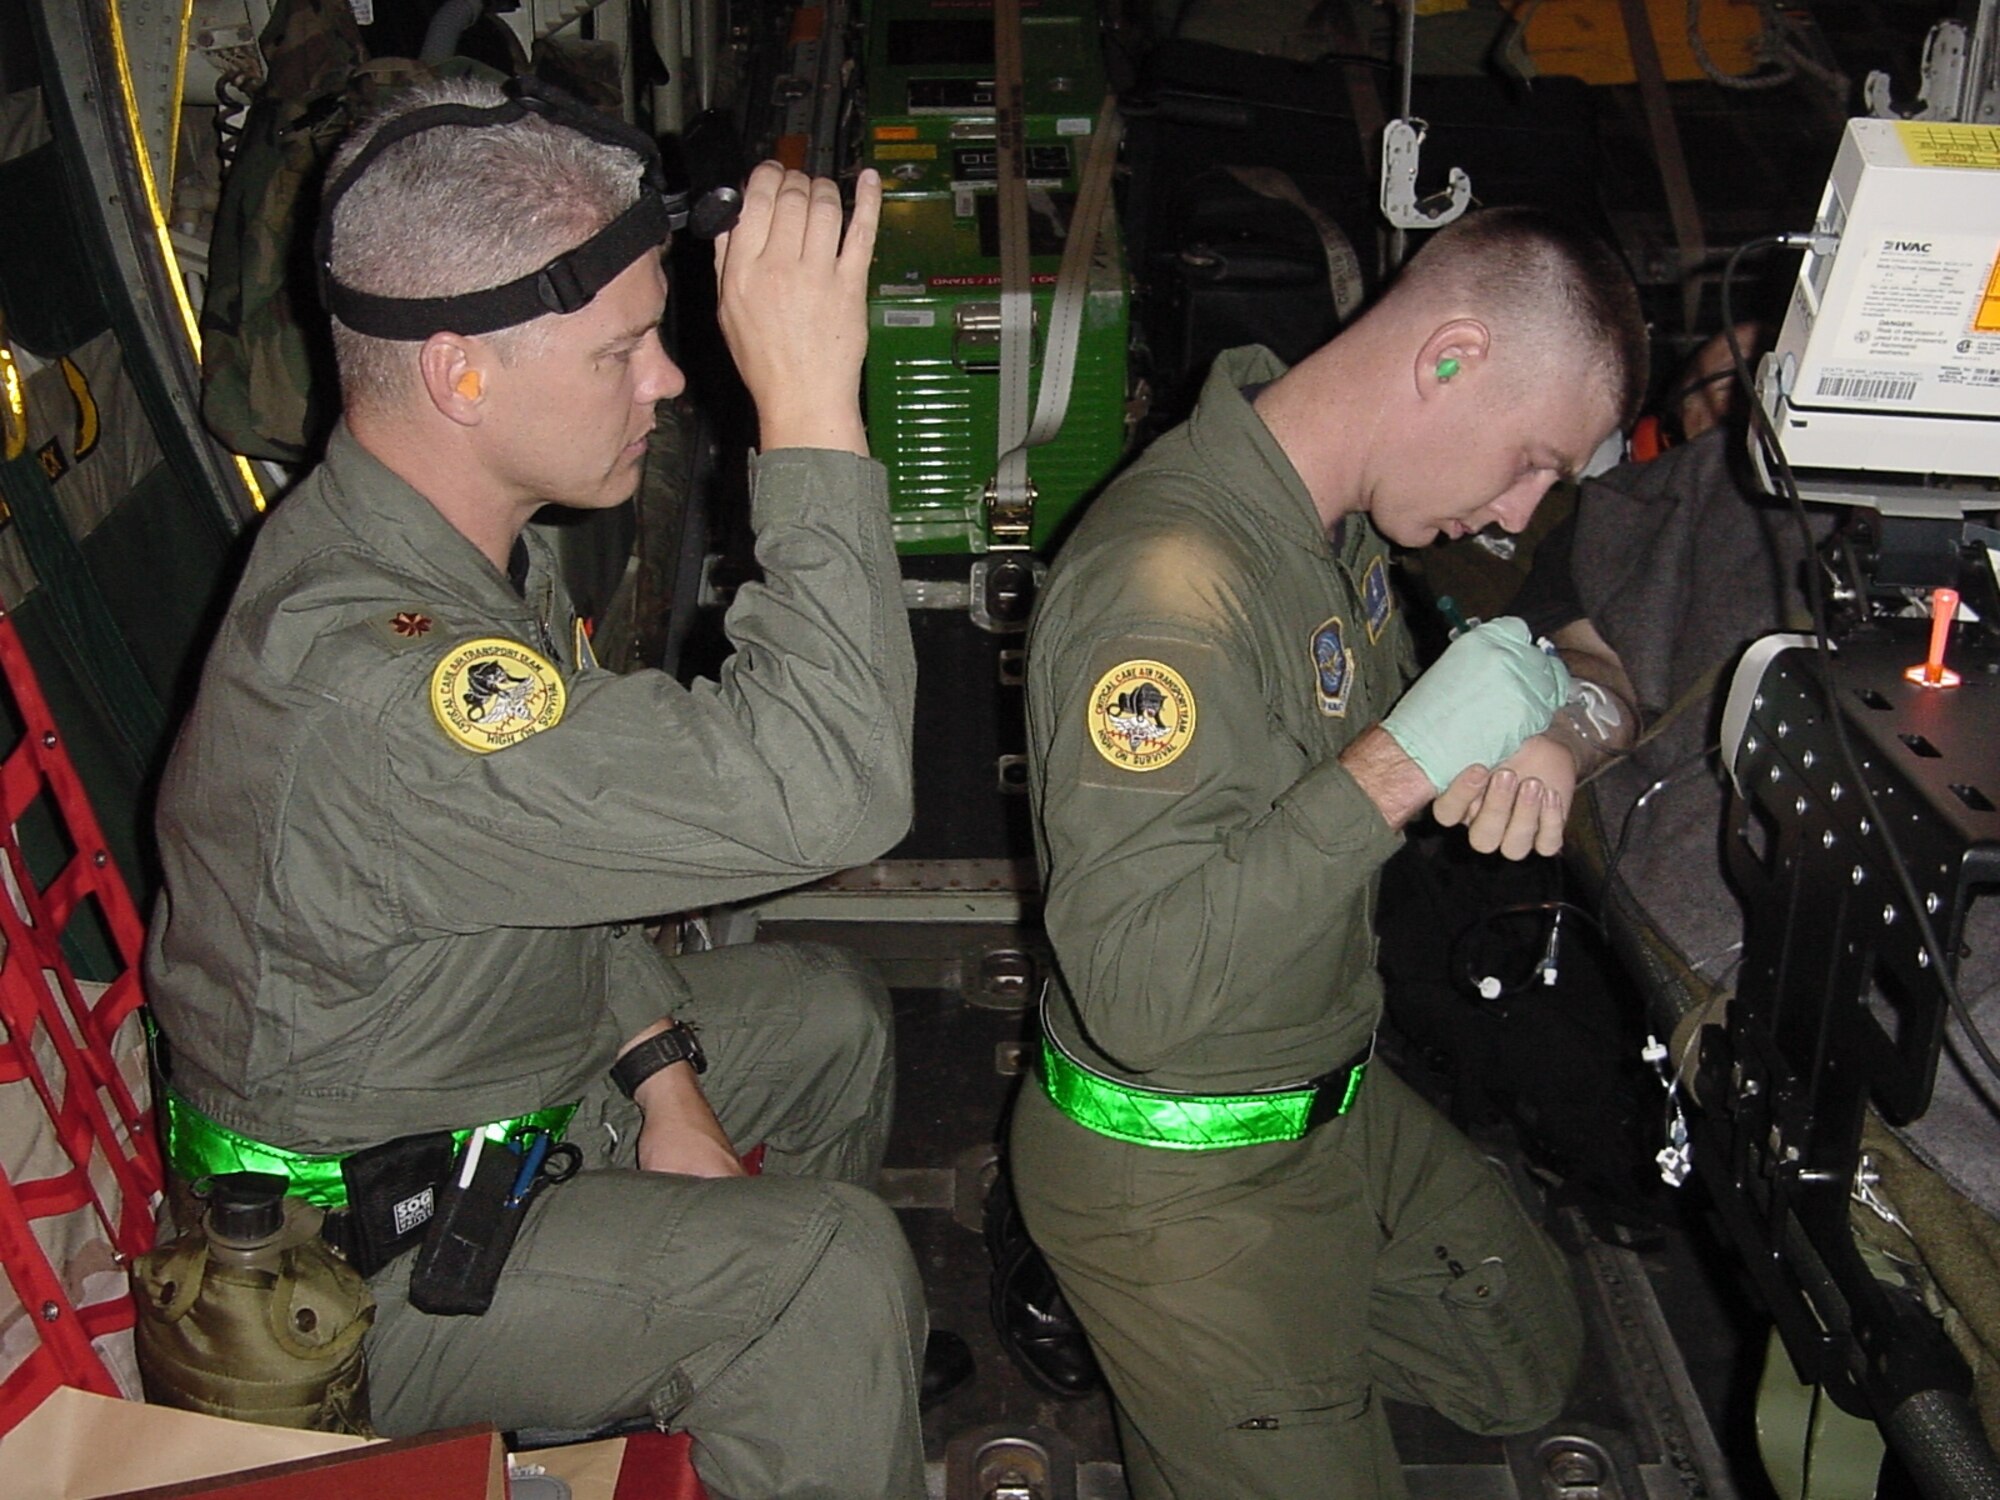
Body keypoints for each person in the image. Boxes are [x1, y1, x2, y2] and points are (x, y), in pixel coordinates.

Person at [145, 75, 929, 1500]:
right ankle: (801, 1351)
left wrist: (661, 1078)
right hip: (347, 1264)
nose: (671, 378)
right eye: (625, 348)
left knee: (829, 1022)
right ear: (462, 374)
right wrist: (812, 404)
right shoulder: (386, 687)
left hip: (488, 1072)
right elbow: (835, 789)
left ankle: (800, 1407)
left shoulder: (437, 537)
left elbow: (554, 862)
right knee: (830, 1275)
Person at [1011, 206, 1648, 1499]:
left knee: (1525, 1368)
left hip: (1333, 1092)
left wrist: (1557, 743)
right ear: (1451, 356)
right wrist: (1405, 759)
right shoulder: (1165, 591)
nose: (1519, 510)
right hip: (1178, 1169)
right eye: (1529, 463)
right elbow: (1135, 996)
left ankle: (1250, 1357)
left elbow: (1594, 677)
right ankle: (1152, 1317)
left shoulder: (1340, 519)